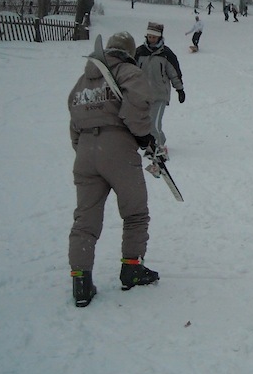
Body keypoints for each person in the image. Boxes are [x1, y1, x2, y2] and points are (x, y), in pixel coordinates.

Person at [68, 32, 160, 307]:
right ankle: (131, 268)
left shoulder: (83, 80)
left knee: (85, 219)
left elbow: (73, 119)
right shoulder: (129, 72)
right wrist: (145, 137)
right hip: (117, 148)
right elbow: (138, 106)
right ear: (129, 52)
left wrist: (86, 150)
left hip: (85, 152)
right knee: (135, 212)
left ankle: (80, 281)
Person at [134, 22, 185, 154]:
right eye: (149, 36)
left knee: (154, 124)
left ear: (159, 37)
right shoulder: (139, 52)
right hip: (142, 94)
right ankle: (159, 139)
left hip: (160, 94)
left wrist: (179, 89)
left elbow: (174, 73)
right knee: (145, 123)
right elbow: (130, 71)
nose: (151, 39)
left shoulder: (166, 54)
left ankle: (157, 147)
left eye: (154, 37)